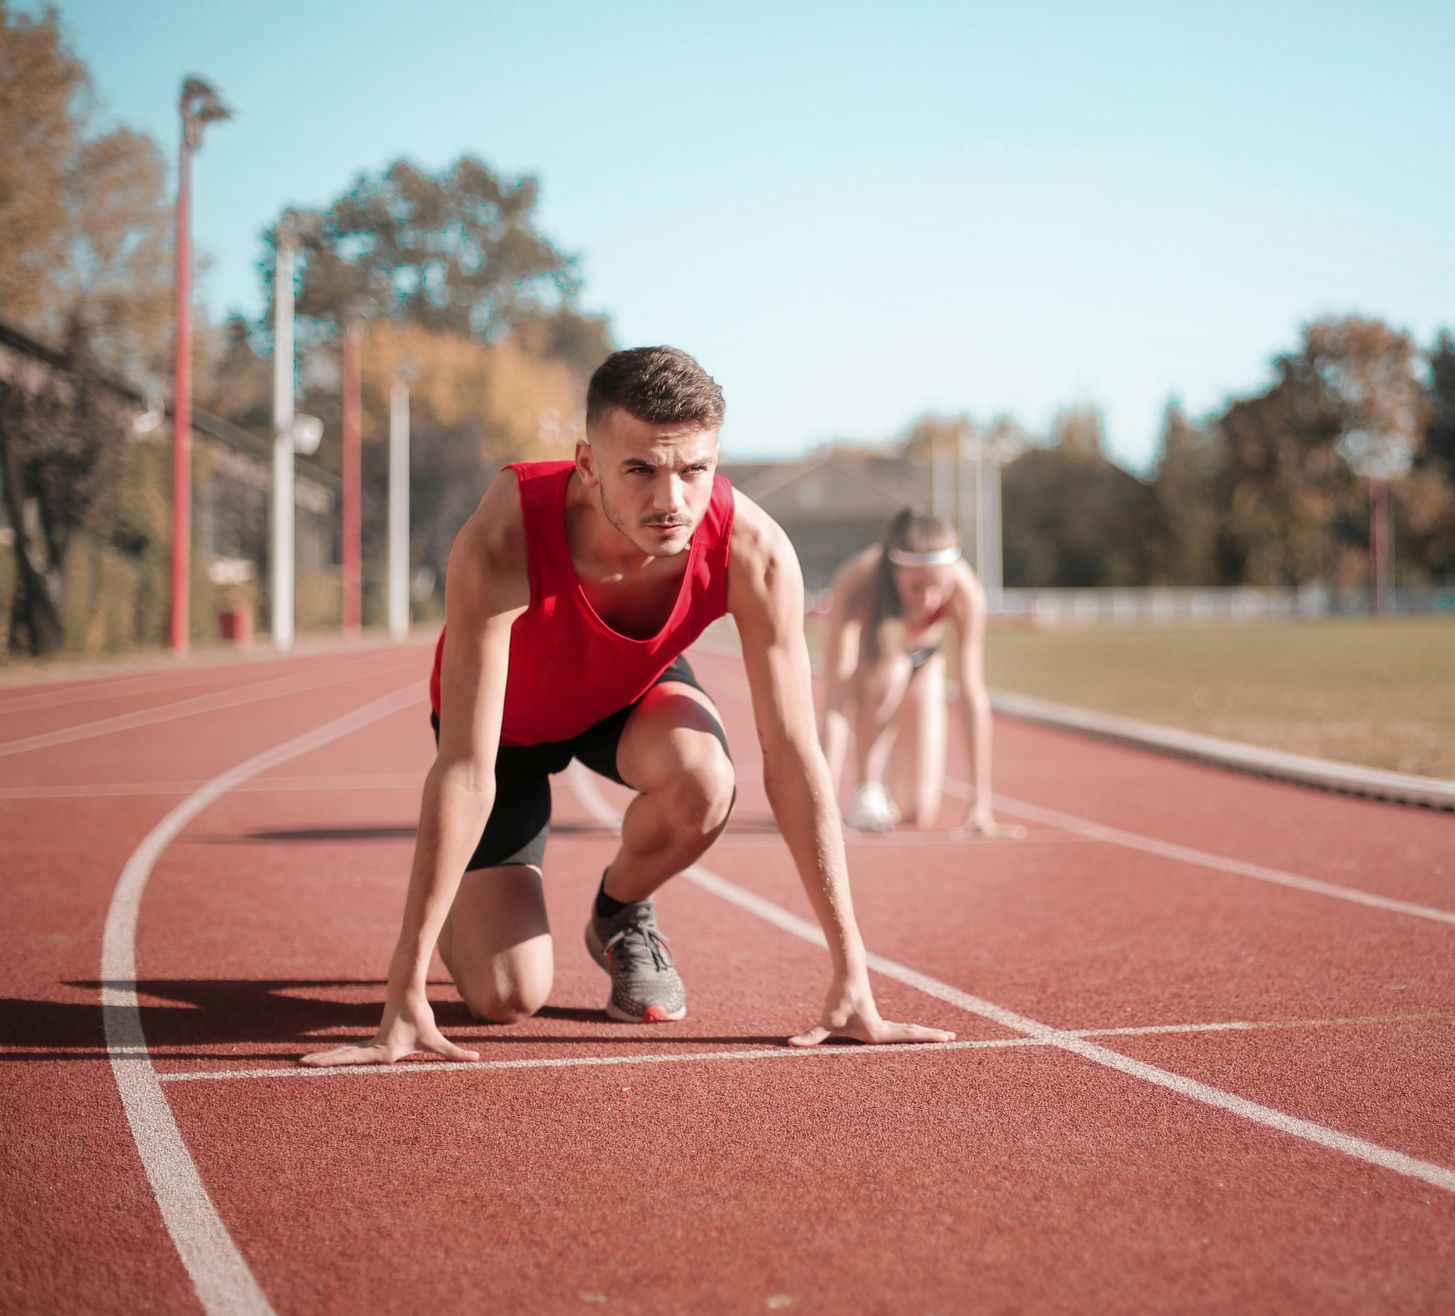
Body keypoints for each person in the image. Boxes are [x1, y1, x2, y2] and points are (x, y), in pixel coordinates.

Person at [303, 347, 953, 1066]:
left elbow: (795, 759)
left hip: (625, 696)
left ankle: (619, 913)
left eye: (693, 470)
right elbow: (464, 767)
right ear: (588, 463)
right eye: (640, 469)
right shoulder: (505, 534)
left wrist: (851, 974)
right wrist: (404, 987)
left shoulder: (754, 551)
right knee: (507, 997)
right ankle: (463, 897)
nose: (670, 500)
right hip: (507, 732)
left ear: (716, 460)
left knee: (707, 780)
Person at [817, 510, 1016, 836]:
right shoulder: (857, 581)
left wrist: (980, 803)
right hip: (875, 664)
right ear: (894, 573)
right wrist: (821, 805)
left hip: (926, 661)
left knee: (916, 811)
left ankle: (892, 781)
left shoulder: (966, 591)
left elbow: (972, 694)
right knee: (891, 672)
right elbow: (835, 700)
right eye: (916, 587)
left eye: (940, 585)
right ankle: (867, 787)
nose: (929, 599)